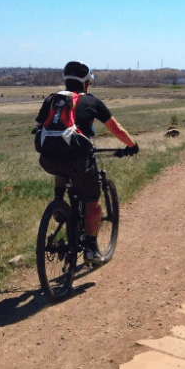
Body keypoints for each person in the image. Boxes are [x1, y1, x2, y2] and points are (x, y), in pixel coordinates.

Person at [35, 61, 138, 264]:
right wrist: (132, 145)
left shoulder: (52, 99)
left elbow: (38, 126)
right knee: (92, 201)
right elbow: (115, 128)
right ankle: (91, 248)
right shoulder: (91, 102)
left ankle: (59, 204)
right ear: (86, 84)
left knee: (61, 163)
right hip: (79, 162)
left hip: (48, 160)